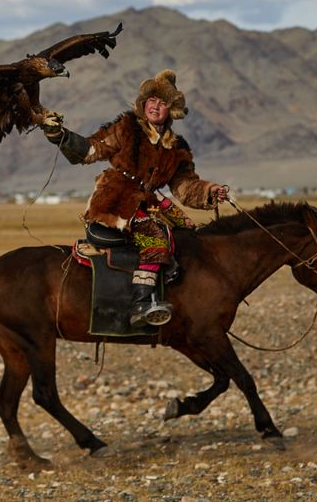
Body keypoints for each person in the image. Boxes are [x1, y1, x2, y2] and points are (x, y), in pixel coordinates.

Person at [41, 69, 228, 326]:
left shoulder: (177, 147)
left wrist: (209, 191)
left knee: (188, 237)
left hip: (150, 205)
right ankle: (141, 305)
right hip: (115, 203)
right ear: (143, 104)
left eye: (162, 102)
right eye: (152, 100)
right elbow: (91, 149)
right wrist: (59, 135)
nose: (156, 106)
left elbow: (185, 186)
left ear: (171, 110)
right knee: (155, 241)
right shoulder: (126, 128)